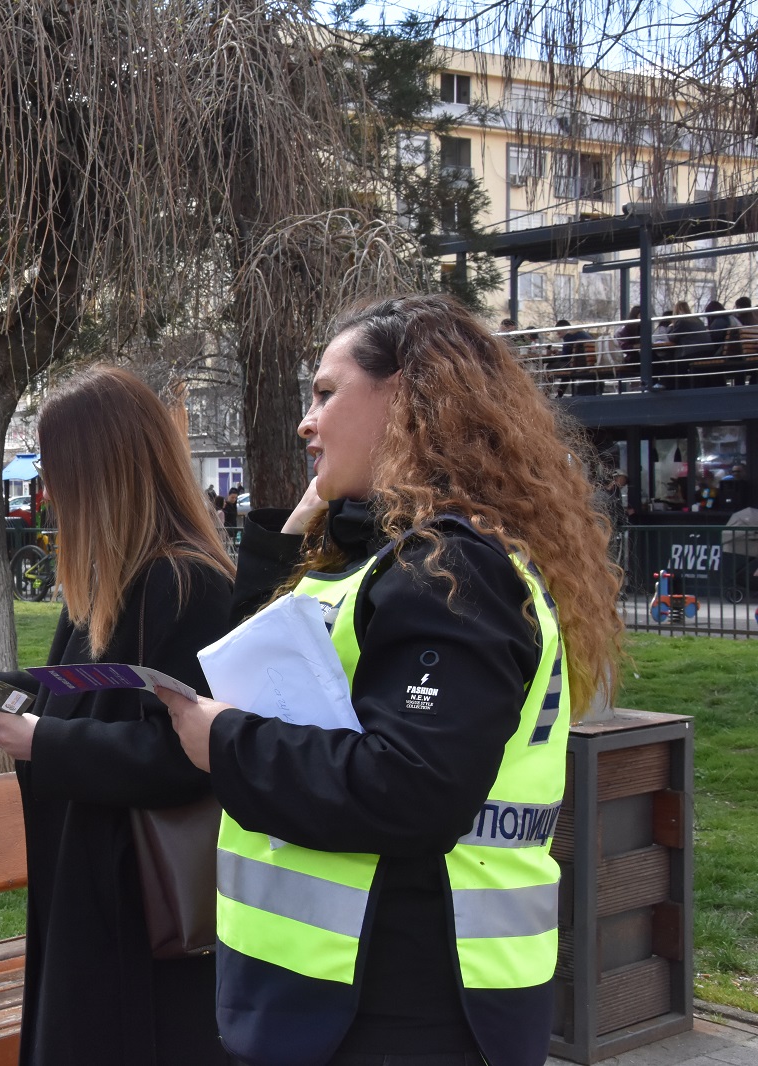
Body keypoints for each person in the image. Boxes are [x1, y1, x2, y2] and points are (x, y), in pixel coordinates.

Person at [158, 294, 622, 1066]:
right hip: (343, 994)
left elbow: (409, 788)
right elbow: (250, 659)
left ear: (406, 400)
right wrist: (292, 530)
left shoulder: (450, 570)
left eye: (326, 393)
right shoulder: (392, 560)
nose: (306, 422)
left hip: (406, 999)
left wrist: (226, 742)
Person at [0, 365, 236, 1066]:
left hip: (139, 907)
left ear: (101, 472)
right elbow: (81, 689)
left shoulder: (186, 583)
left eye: (56, 473)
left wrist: (42, 742)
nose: (49, 494)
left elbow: (186, 753)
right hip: (86, 883)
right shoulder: (109, 578)